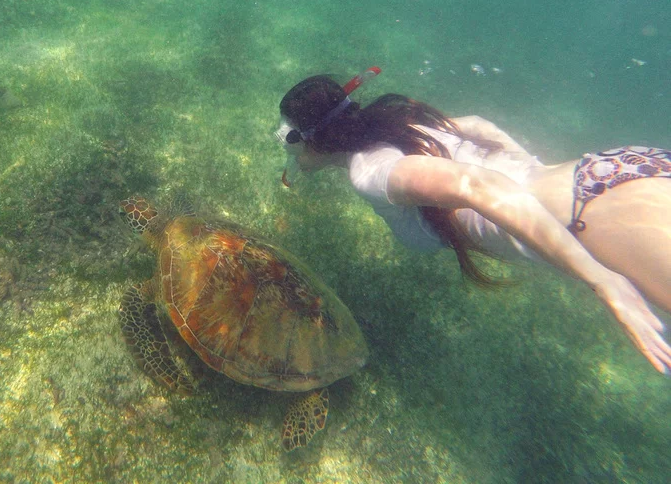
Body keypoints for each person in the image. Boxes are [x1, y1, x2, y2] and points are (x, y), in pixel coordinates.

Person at [274, 68, 671, 375]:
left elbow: (472, 183)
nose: (287, 146)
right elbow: (480, 125)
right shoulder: (391, 122)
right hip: (607, 169)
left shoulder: (369, 173)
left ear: (313, 140)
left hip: (594, 216)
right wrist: (532, 171)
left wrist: (601, 277)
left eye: (289, 137)